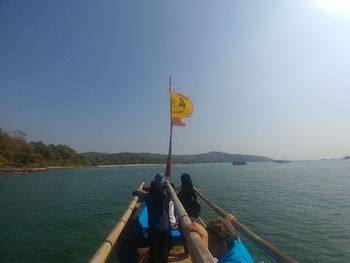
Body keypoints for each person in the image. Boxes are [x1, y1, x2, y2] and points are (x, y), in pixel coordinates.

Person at [184, 218, 254, 263]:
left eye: (210, 240)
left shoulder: (235, 261)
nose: (207, 241)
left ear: (223, 246)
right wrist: (227, 221)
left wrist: (204, 237)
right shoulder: (236, 244)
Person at [133, 180, 171, 263]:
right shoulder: (163, 196)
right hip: (165, 226)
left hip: (155, 227)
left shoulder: (148, 197)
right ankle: (165, 260)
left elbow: (135, 192)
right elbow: (168, 192)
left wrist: (139, 190)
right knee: (163, 247)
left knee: (153, 247)